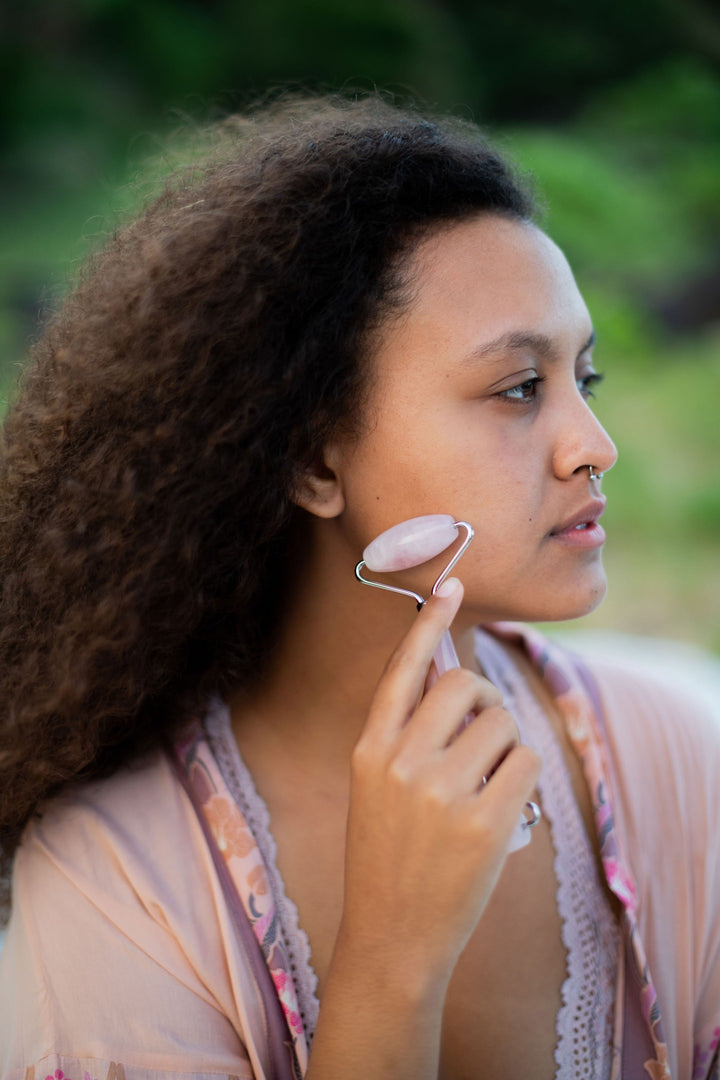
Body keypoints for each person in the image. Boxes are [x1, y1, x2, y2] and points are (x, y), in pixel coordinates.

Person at [0, 94, 718, 1080]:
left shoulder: (680, 760)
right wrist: (392, 959)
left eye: (582, 382)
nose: (596, 447)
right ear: (312, 461)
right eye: (518, 388)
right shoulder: (114, 878)